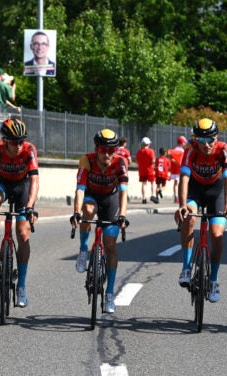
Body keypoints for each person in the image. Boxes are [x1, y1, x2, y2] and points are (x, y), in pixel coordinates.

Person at [174, 118, 227, 303]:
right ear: (195, 140)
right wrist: (182, 205)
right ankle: (186, 267)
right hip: (195, 190)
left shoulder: (223, 149)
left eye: (211, 140)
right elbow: (184, 178)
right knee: (189, 218)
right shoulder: (189, 149)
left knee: (216, 234)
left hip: (215, 192)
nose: (207, 145)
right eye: (202, 140)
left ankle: (214, 280)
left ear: (217, 137)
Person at [0, 118, 39, 308]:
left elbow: (35, 180)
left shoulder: (29, 149)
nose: (18, 146)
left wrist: (30, 206)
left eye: (21, 141)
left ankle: (21, 286)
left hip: (22, 186)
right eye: (14, 142)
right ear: (4, 140)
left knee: (22, 234)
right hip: (2, 182)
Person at [71, 129, 129, 314]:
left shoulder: (120, 162)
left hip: (110, 200)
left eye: (111, 150)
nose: (107, 154)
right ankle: (83, 249)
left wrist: (123, 216)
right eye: (103, 149)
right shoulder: (86, 160)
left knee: (110, 244)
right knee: (87, 211)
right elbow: (80, 189)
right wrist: (75, 212)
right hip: (91, 196)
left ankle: (110, 294)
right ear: (96, 149)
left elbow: (124, 191)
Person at [136, 136, 157, 204]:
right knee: (153, 182)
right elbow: (153, 160)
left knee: (144, 183)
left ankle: (144, 198)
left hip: (142, 170)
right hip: (149, 169)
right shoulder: (151, 151)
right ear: (148, 144)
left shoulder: (139, 152)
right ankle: (153, 195)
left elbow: (137, 161)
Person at [168, 136, 187, 203]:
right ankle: (180, 197)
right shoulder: (182, 151)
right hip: (180, 169)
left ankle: (176, 196)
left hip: (174, 169)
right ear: (182, 143)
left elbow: (171, 159)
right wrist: (179, 164)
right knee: (181, 183)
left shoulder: (174, 150)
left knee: (175, 184)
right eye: (184, 142)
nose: (185, 144)